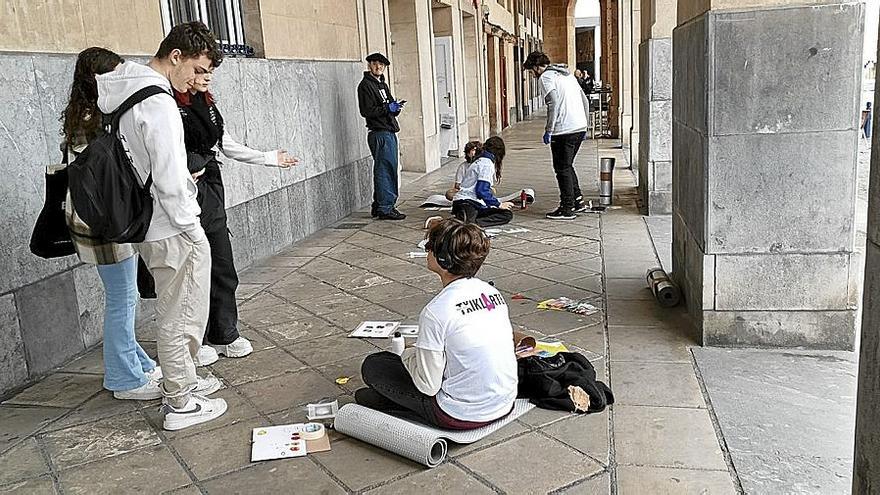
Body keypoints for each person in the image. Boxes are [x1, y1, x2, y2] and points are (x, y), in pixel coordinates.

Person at [97, 21, 226, 430]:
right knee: (181, 313)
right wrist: (191, 225)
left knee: (177, 309)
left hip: (150, 222)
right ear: (176, 57)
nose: (197, 81)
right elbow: (169, 175)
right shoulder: (158, 101)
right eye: (196, 69)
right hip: (171, 224)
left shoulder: (126, 91)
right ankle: (180, 402)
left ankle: (183, 382)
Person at [175, 57, 298, 366]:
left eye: (210, 73)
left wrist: (269, 158)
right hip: (183, 191)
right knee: (192, 270)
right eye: (200, 72)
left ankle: (224, 332)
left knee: (222, 265)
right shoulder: (168, 104)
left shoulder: (208, 105)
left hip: (210, 189)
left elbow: (225, 144)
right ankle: (197, 338)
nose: (206, 78)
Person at [61, 47, 163, 401]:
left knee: (124, 295)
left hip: (95, 217)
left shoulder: (82, 111)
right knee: (122, 299)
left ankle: (137, 362)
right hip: (105, 219)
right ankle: (124, 378)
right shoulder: (98, 114)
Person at [355, 218, 518, 429]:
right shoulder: (492, 293)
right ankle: (391, 402)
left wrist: (407, 355)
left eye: (429, 248)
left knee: (375, 365)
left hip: (458, 414)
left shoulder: (437, 311)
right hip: (504, 403)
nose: (426, 252)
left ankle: (402, 406)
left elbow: (428, 386)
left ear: (443, 259)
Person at [524, 51, 591, 220]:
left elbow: (552, 102)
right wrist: (586, 125)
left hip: (564, 129)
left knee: (561, 168)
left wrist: (549, 130)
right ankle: (578, 201)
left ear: (537, 67)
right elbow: (585, 100)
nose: (532, 75)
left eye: (532, 71)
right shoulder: (567, 76)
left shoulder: (546, 77)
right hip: (578, 126)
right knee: (567, 166)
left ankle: (566, 208)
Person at [357, 52, 406, 220]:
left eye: (382, 65)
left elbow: (390, 104)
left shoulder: (382, 85)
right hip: (379, 132)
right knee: (385, 169)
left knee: (387, 168)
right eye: (375, 64)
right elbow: (367, 111)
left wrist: (396, 107)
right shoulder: (365, 85)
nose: (378, 67)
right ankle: (386, 207)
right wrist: (387, 109)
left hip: (388, 130)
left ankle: (379, 205)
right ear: (370, 65)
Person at [451, 136, 514, 228]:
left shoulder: (481, 160)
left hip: (474, 203)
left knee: (507, 214)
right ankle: (464, 223)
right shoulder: (486, 164)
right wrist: (499, 204)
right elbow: (481, 191)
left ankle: (470, 222)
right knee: (467, 225)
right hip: (466, 202)